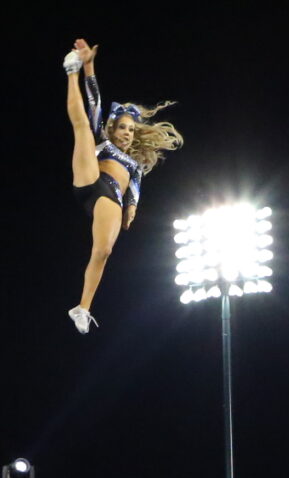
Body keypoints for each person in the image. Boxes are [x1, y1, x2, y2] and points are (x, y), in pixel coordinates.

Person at [63, 40, 182, 334]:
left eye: (131, 129)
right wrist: (88, 66)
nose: (127, 133)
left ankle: (83, 308)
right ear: (113, 128)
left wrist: (131, 208)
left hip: (109, 198)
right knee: (83, 128)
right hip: (90, 177)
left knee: (103, 250)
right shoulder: (103, 141)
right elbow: (95, 102)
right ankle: (70, 70)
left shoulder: (134, 165)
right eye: (122, 127)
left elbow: (135, 190)